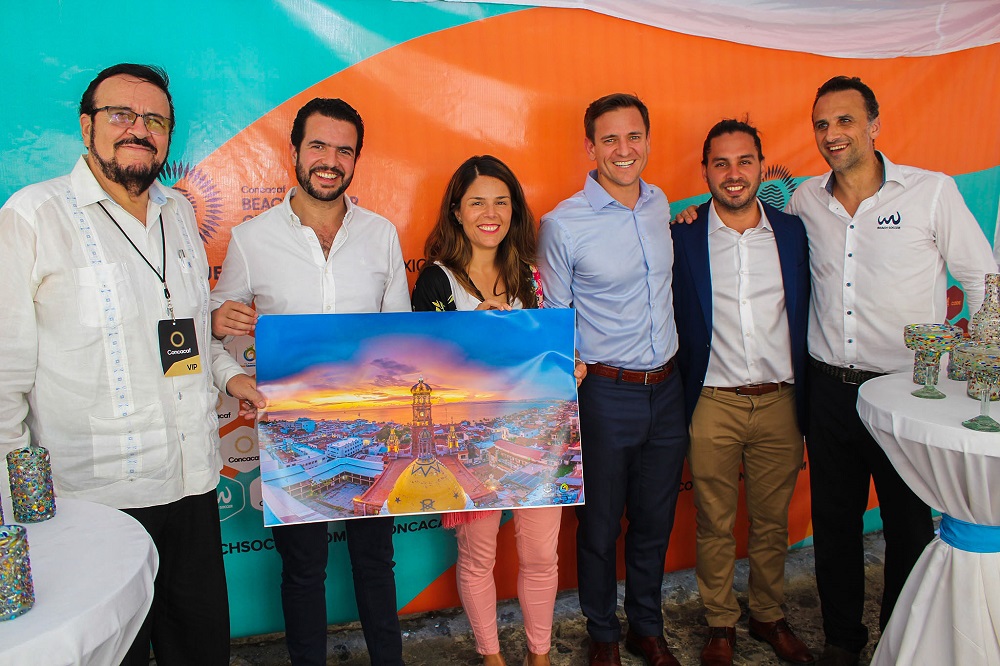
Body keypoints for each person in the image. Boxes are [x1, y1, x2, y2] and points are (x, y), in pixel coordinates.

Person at [0, 63, 263, 665]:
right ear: (86, 125)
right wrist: (18, 511)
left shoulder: (178, 214)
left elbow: (184, 333)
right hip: (93, 501)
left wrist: (232, 378)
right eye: (121, 114)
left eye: (155, 120)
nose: (138, 129)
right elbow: (4, 375)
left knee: (200, 648)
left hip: (192, 479)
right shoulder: (34, 216)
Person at [788, 76, 996, 666]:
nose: (832, 134)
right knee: (834, 523)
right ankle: (841, 641)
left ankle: (900, 641)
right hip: (830, 388)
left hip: (907, 392)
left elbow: (982, 281)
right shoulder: (805, 200)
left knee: (908, 527)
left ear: (875, 126)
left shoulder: (931, 192)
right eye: (822, 124)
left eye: (845, 121)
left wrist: (981, 373)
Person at [211, 98, 410, 666]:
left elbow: (399, 337)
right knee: (302, 570)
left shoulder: (381, 235)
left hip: (372, 433)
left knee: (376, 564)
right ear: (295, 151)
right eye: (318, 146)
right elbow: (214, 329)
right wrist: (232, 376)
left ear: (356, 160)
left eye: (344, 150)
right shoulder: (251, 239)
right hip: (289, 436)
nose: (330, 160)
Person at [411, 155, 585, 666]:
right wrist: (473, 336)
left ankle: (540, 654)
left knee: (541, 555)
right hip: (472, 444)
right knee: (478, 556)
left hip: (536, 440)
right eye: (477, 202)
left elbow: (547, 353)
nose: (491, 214)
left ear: (515, 210)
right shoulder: (436, 283)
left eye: (501, 202)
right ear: (456, 211)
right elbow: (425, 369)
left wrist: (568, 365)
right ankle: (491, 656)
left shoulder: (532, 277)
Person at [538, 93, 687, 666]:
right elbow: (556, 321)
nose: (624, 150)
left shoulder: (659, 203)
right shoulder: (563, 224)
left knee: (654, 522)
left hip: (667, 390)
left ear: (647, 140)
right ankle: (602, 633)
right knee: (599, 528)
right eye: (609, 139)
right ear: (590, 147)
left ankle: (647, 627)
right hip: (603, 394)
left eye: (634, 137)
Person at [671, 119, 813, 666]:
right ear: (705, 171)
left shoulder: (794, 231)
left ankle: (768, 615)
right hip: (712, 402)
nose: (734, 174)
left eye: (744, 161)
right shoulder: (682, 235)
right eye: (721, 163)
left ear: (760, 165)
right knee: (714, 523)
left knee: (772, 522)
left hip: (781, 401)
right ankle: (720, 624)